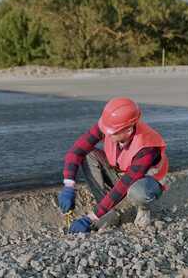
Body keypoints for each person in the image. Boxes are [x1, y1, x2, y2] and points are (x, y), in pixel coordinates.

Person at [58, 97, 169, 233]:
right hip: (120, 172)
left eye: (112, 133)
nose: (106, 135)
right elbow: (76, 151)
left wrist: (90, 218)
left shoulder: (147, 146)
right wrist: (69, 185)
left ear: (128, 130)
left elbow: (124, 185)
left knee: (139, 192)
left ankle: (143, 209)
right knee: (88, 154)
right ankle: (107, 212)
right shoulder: (109, 126)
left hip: (144, 183)